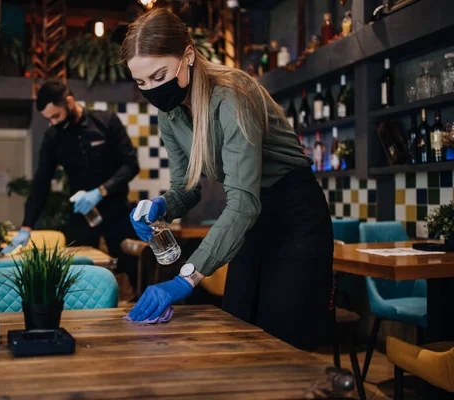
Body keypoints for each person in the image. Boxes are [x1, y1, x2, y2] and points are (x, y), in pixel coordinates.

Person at [121, 8, 334, 351]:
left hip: (295, 217)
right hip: (250, 223)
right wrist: (161, 206)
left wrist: (185, 279)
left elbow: (243, 202)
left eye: (159, 75)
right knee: (239, 326)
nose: (152, 90)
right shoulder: (170, 115)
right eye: (142, 82)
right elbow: (186, 188)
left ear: (188, 55)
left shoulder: (233, 96)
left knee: (283, 342)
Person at [3, 80, 140, 286]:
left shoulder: (106, 121)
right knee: (79, 276)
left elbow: (131, 165)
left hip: (116, 210)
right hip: (82, 215)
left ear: (69, 102)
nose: (53, 122)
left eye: (56, 116)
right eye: (49, 119)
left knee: (134, 270)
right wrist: (26, 226)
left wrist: (100, 191)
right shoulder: (53, 137)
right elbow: (41, 182)